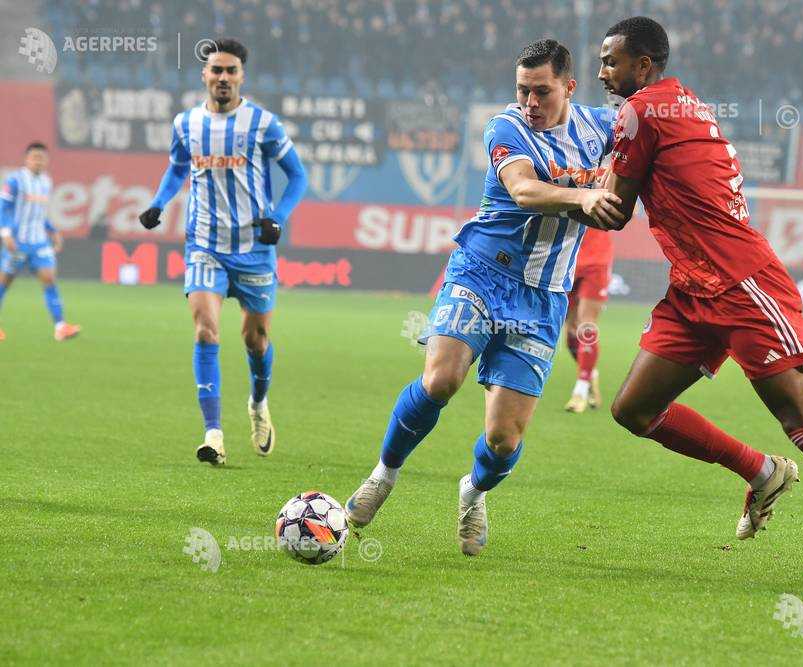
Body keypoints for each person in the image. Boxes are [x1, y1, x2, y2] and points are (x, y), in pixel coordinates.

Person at [582, 17, 803, 592]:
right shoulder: (680, 105)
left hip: (741, 284)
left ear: (643, 64)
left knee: (802, 418)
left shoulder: (642, 111)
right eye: (599, 61)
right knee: (634, 410)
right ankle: (761, 470)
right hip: (693, 288)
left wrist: (548, 194)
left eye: (611, 61)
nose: (602, 72)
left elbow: (614, 211)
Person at [344, 39, 624, 556]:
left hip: (542, 297)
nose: (530, 102)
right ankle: (383, 475)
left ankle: (473, 492)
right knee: (441, 379)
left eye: (541, 92)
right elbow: (523, 190)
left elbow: (637, 161)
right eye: (523, 90)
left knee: (503, 442)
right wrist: (584, 194)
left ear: (569, 86)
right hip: (480, 273)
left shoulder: (604, 130)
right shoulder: (507, 127)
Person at [138, 38, 307, 465]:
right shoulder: (186, 124)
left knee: (256, 339)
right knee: (205, 330)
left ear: (241, 76)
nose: (223, 78)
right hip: (204, 244)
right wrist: (160, 202)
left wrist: (279, 217)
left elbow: (298, 176)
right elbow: (178, 167)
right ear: (204, 75)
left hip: (253, 248)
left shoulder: (262, 124)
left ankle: (257, 404)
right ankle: (213, 434)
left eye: (231, 71)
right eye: (217, 70)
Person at [0, 142, 81, 342]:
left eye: (42, 158)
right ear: (26, 159)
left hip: (39, 243)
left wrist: (52, 231)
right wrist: (6, 233)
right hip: (17, 242)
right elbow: (4, 207)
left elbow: (40, 213)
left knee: (49, 280)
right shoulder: (15, 181)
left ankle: (60, 327)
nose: (38, 161)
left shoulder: (46, 182)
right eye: (35, 157)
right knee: (4, 282)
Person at [563, 227, 613, 412]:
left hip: (596, 260)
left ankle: (581, 390)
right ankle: (591, 373)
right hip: (567, 258)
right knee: (570, 337)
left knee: (587, 324)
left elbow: (629, 210)